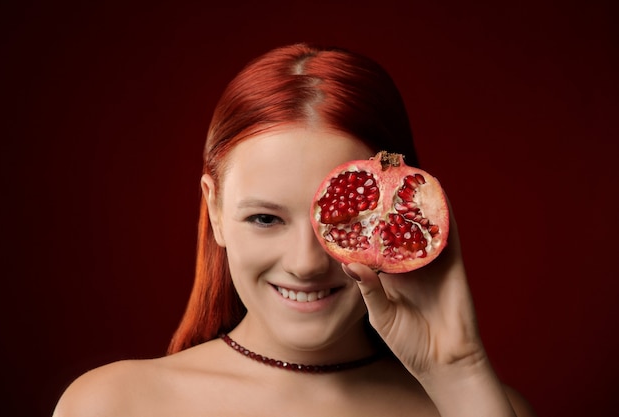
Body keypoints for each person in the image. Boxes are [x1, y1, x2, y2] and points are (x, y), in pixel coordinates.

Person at [53, 43, 536, 416]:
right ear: (215, 210)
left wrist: (458, 372)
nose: (305, 263)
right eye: (265, 219)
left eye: (339, 222)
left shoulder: (483, 405)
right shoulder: (113, 405)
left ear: (395, 216)